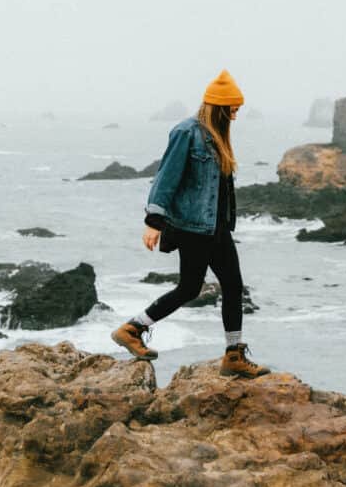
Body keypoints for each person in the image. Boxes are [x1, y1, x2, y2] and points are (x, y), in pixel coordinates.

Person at [112, 70, 271, 378]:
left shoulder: (217, 137)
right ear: (219, 107)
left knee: (230, 286)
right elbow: (166, 177)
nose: (236, 116)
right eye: (233, 109)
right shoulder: (187, 132)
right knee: (190, 288)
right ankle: (132, 329)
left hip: (215, 227)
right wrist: (154, 221)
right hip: (193, 228)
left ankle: (233, 355)